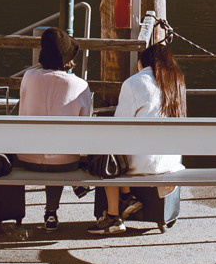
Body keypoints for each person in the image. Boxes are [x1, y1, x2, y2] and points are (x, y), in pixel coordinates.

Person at [88, 41, 186, 235]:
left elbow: (120, 125)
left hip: (143, 163)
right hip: (171, 161)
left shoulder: (134, 83)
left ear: (143, 62)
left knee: (105, 151)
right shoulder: (177, 84)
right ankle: (126, 199)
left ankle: (113, 216)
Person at [14, 27, 92, 232]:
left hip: (26, 158)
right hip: (65, 163)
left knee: (48, 143)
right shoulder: (80, 85)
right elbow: (85, 127)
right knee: (61, 148)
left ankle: (52, 207)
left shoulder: (28, 77)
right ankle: (53, 208)